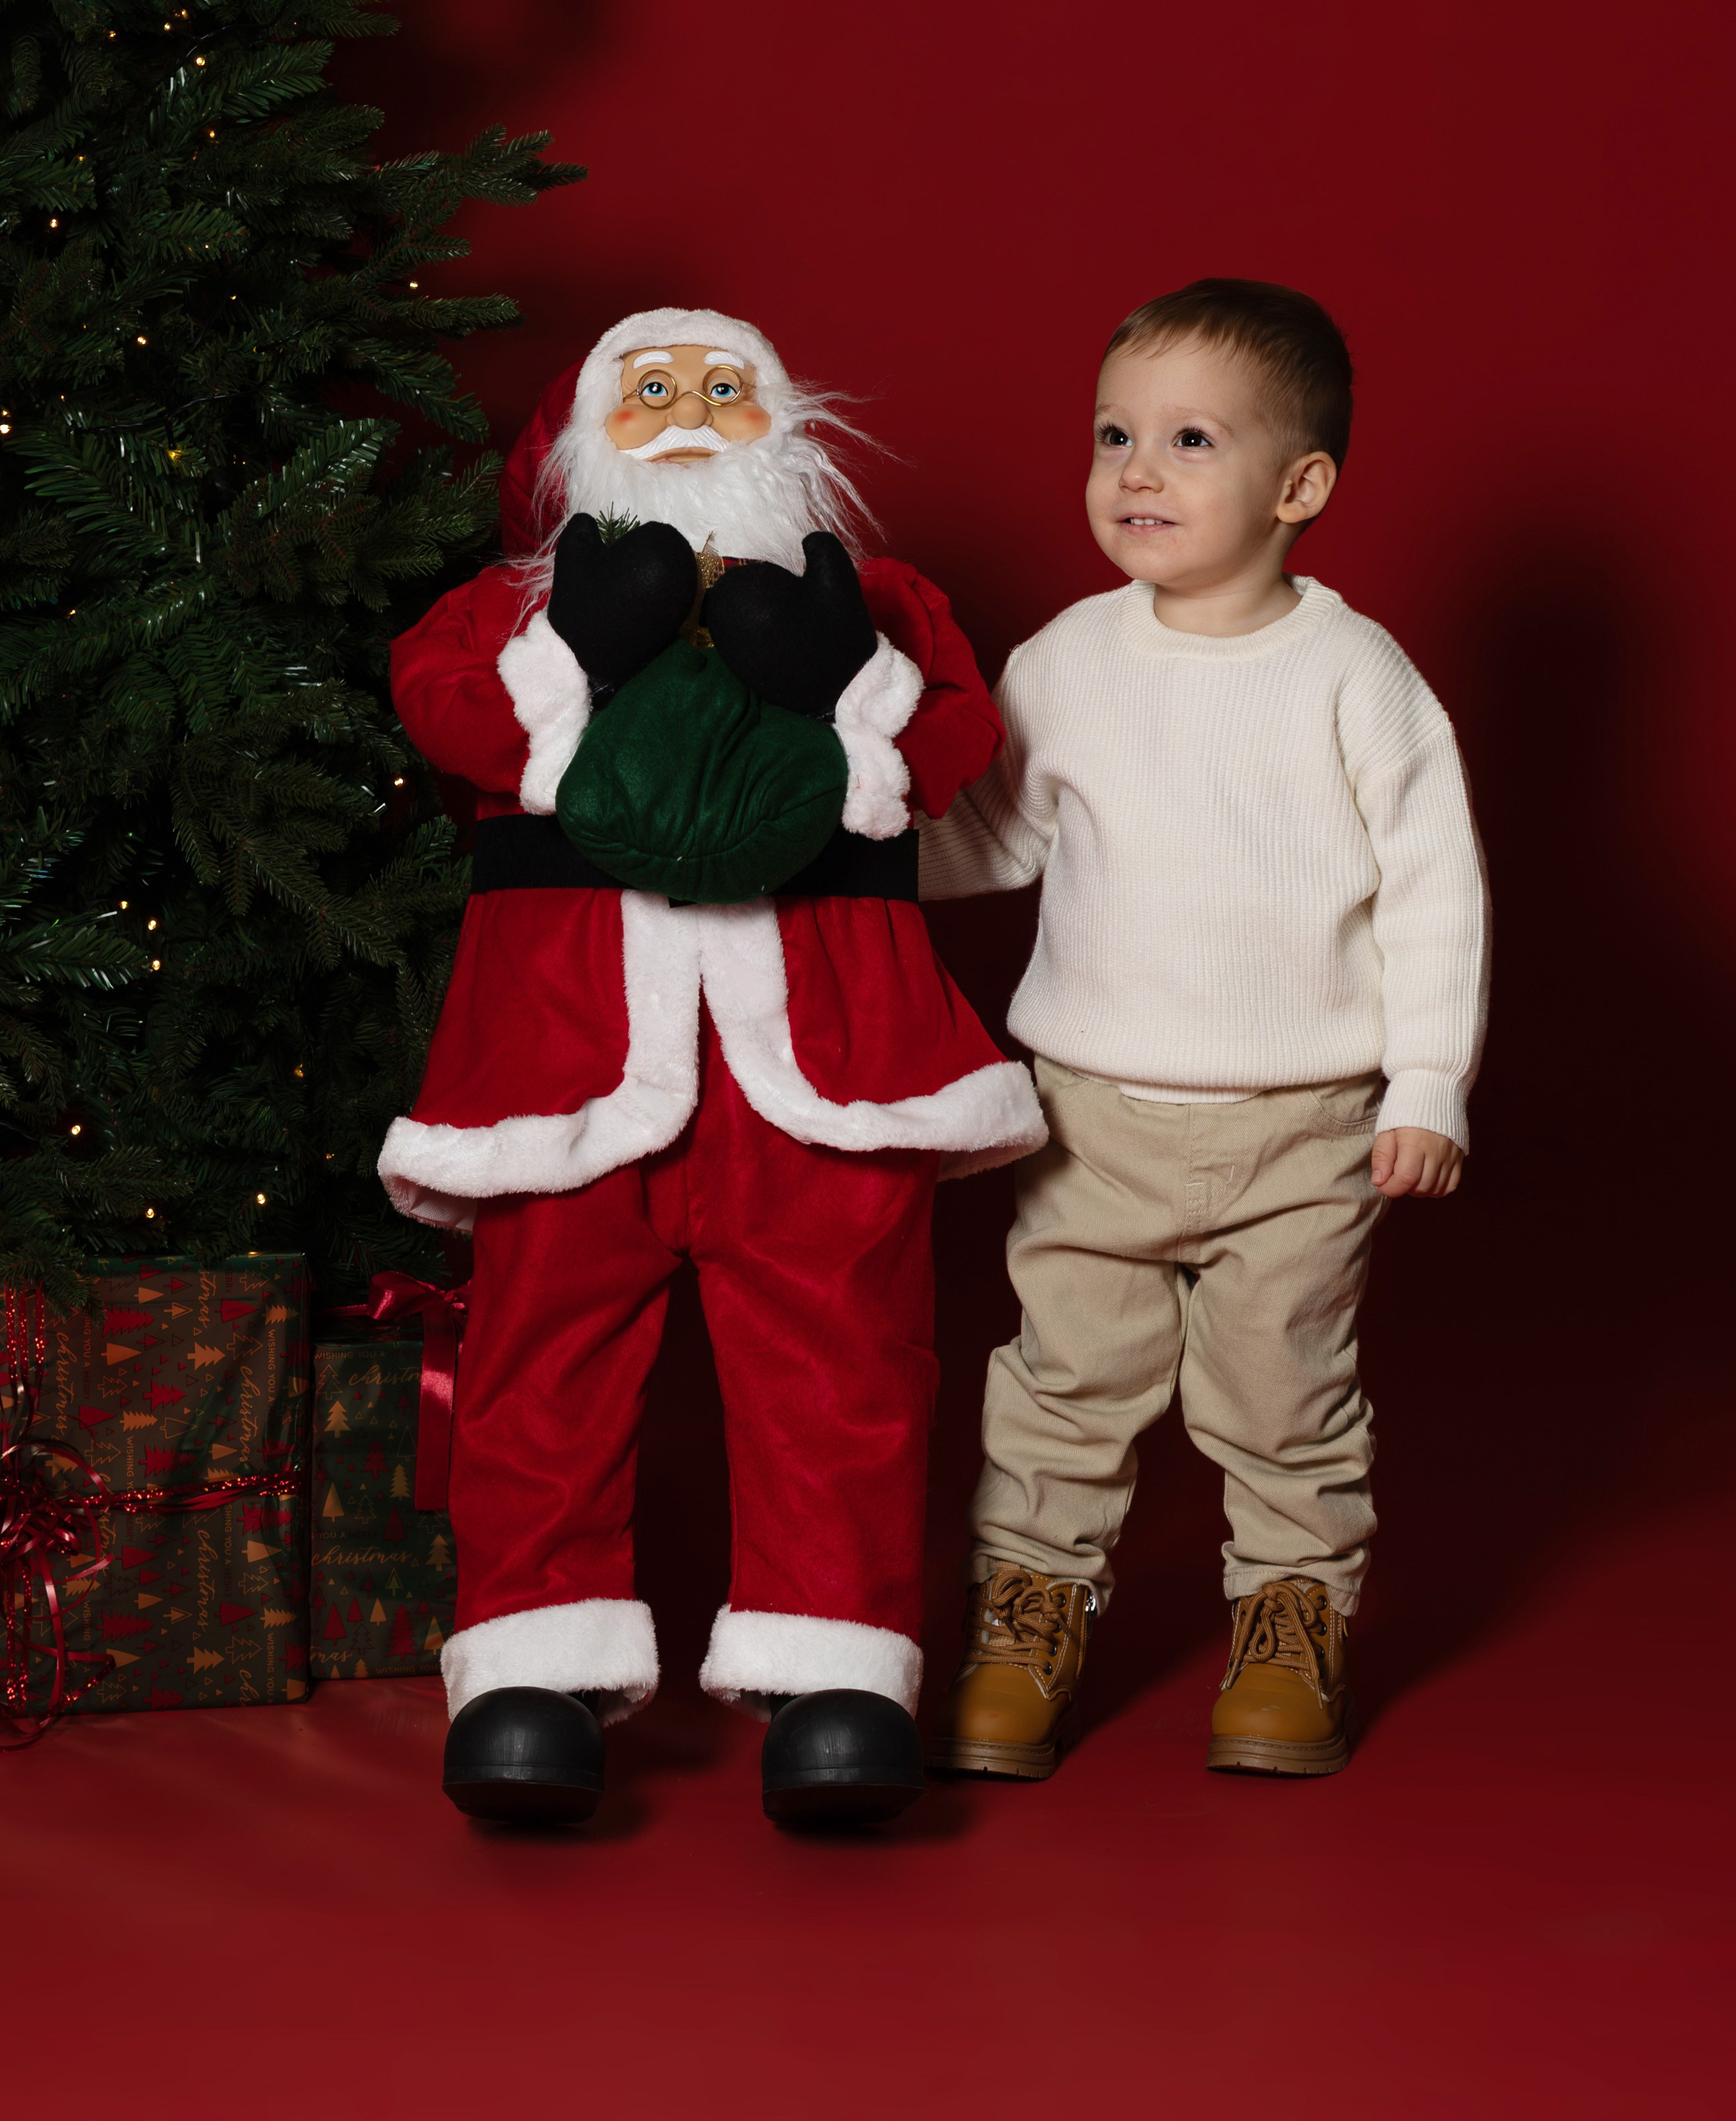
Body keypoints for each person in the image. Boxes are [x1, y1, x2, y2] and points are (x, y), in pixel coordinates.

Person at [381, 309, 1044, 1827]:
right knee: (536, 1368)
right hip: (569, 1060)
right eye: (656, 389)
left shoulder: (866, 594)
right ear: (579, 442)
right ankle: (531, 1682)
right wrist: (577, 644)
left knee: (845, 1369)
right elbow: (444, 716)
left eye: (725, 389)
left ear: (788, 425)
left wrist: (839, 678)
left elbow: (952, 745)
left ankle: (834, 1683)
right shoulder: (504, 606)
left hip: (820, 1057)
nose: (691, 414)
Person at [920, 279, 1489, 1778]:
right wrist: (845, 847)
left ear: (1297, 487)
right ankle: (1027, 1611)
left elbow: (1435, 890)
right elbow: (991, 840)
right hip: (1089, 1110)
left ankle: (1289, 1624)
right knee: (1060, 1381)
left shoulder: (1353, 680)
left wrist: (1423, 1082)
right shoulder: (1065, 660)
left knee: (1282, 1391)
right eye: (1113, 435)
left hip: (1299, 1123)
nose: (1136, 472)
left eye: (1186, 439)